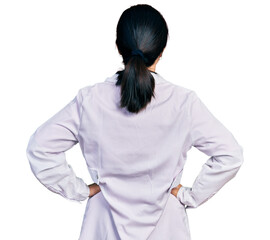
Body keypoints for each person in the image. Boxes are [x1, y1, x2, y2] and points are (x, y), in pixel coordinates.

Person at [26, 4, 244, 240]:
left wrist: (80, 190)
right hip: (167, 228)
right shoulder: (184, 103)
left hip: (104, 225)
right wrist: (190, 196)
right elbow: (230, 154)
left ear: (118, 46)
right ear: (162, 51)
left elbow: (40, 148)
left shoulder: (89, 100)